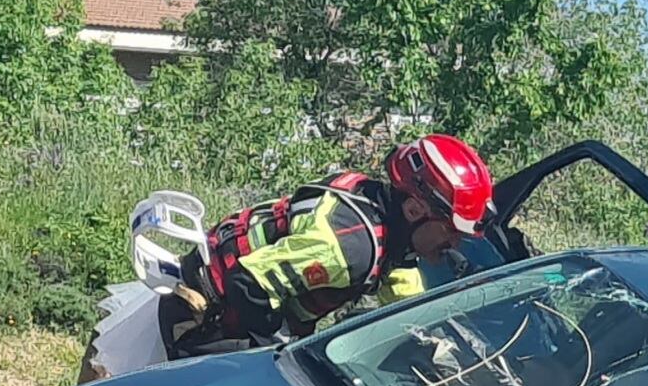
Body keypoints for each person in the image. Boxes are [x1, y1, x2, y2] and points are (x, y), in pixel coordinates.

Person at [180, 134, 495, 352]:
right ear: (414, 210)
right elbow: (248, 283)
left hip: (222, 284)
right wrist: (284, 348)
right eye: (450, 231)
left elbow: (400, 288)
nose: (454, 244)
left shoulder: (376, 208)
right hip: (208, 317)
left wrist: (433, 339)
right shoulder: (352, 248)